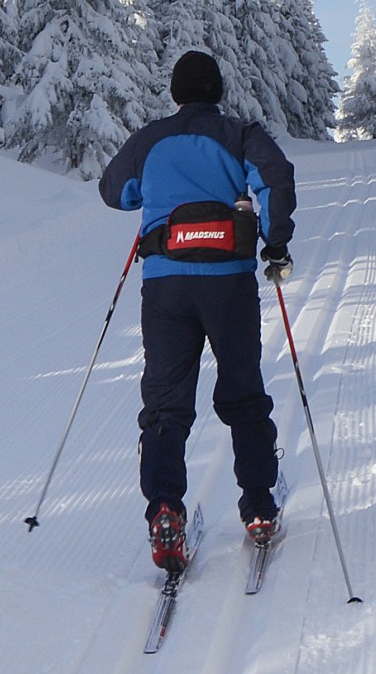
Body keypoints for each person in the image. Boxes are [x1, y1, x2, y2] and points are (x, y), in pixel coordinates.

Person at [98, 49, 296, 572]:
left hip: (165, 287)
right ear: (218, 91)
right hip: (228, 284)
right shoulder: (238, 133)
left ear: (175, 93)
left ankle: (165, 508)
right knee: (242, 392)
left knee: (165, 403)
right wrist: (275, 244)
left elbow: (115, 192)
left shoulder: (151, 139)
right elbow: (276, 176)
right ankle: (258, 506)